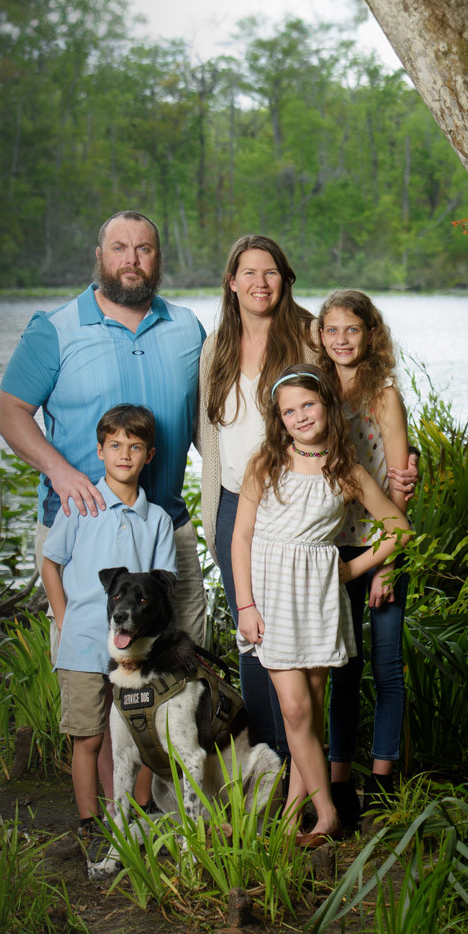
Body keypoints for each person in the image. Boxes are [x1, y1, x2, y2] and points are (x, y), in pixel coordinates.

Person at [0, 211, 209, 647]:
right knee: (89, 676)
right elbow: (8, 412)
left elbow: (209, 422)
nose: (131, 259)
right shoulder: (55, 328)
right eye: (119, 248)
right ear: (99, 257)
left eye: (143, 249)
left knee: (187, 669)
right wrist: (60, 472)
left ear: (158, 258)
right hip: (83, 528)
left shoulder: (188, 328)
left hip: (166, 528)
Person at [231, 363, 409, 844]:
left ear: (327, 405)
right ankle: (327, 812)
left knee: (306, 711)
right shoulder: (264, 463)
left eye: (308, 404)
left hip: (317, 597)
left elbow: (398, 529)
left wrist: (350, 569)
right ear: (279, 419)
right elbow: (241, 537)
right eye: (289, 411)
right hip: (269, 596)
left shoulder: (346, 471)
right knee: (294, 709)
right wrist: (245, 606)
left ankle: (292, 816)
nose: (301, 416)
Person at [197, 236, 320, 763]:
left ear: (283, 278)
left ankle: (305, 766)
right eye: (248, 273)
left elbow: (331, 415)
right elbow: (208, 431)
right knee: (250, 629)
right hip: (231, 506)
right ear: (232, 282)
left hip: (291, 505)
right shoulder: (215, 345)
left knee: (295, 634)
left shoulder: (309, 337)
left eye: (268, 272)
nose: (259, 283)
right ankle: (262, 763)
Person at [39, 404, 176, 860]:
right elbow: (50, 563)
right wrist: (63, 620)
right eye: (115, 446)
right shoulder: (79, 503)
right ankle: (88, 822)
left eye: (134, 447)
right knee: (89, 735)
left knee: (140, 729)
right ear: (99, 451)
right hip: (81, 642)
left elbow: (162, 585)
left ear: (149, 455)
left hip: (134, 647)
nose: (124, 455)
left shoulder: (156, 518)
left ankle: (137, 812)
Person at [316, 291, 411, 826]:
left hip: (380, 543)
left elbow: (398, 478)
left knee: (385, 664)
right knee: (342, 667)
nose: (342, 340)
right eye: (332, 330)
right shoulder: (318, 389)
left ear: (370, 334)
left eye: (352, 329)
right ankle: (338, 778)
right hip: (333, 544)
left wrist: (388, 565)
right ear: (320, 336)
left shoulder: (384, 393)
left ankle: (382, 779)